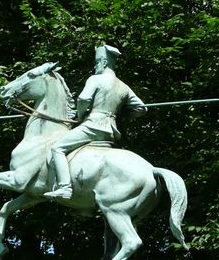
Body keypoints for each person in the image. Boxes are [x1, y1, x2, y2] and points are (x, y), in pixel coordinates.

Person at [43, 45, 147, 199]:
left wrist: (81, 115)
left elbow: (83, 99)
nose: (95, 66)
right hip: (110, 132)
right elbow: (142, 108)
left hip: (92, 126)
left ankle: (65, 187)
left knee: (57, 148)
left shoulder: (96, 79)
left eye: (96, 62)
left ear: (104, 62)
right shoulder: (124, 86)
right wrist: (119, 114)